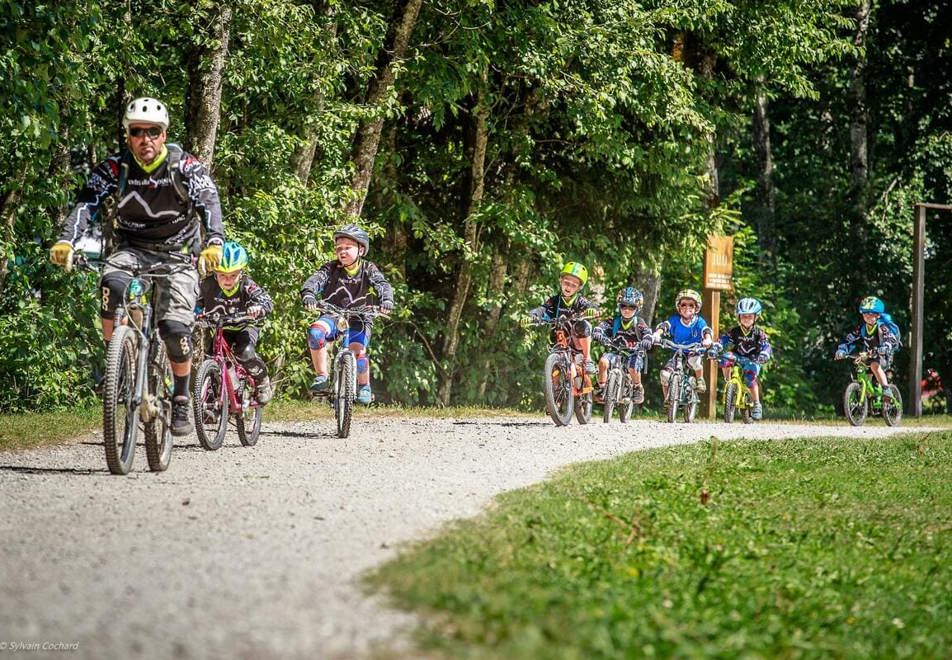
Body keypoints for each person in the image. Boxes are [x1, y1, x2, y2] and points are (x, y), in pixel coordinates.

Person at [50, 97, 224, 435]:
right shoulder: (116, 168)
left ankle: (182, 399)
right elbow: (87, 205)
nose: (146, 139)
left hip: (179, 253)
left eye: (153, 132)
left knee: (174, 330)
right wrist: (66, 240)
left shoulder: (184, 166)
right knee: (111, 284)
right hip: (132, 249)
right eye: (138, 132)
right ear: (128, 135)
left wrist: (214, 242)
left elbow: (209, 201)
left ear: (164, 134)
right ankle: (117, 360)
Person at [301, 224, 394, 405]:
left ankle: (364, 386)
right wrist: (309, 294)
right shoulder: (330, 268)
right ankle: (322, 377)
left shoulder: (368, 268)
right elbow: (314, 280)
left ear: (361, 250)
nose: (342, 252)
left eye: (347, 248)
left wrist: (387, 301)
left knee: (358, 352)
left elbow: (382, 284)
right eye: (339, 248)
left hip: (360, 316)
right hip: (332, 313)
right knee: (315, 333)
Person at [195, 242, 274, 404]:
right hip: (221, 328)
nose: (228, 280)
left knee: (244, 352)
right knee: (211, 359)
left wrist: (258, 307)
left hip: (245, 326)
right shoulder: (207, 285)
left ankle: (262, 381)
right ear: (215, 273)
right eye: (223, 275)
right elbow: (195, 303)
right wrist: (193, 313)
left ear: (241, 272)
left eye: (233, 275)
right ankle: (212, 402)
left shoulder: (247, 285)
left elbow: (266, 300)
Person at [527, 262, 599, 375]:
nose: (568, 287)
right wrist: (533, 316)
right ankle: (554, 390)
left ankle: (588, 359)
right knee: (555, 374)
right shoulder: (555, 300)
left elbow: (592, 306)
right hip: (559, 340)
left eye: (573, 285)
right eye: (566, 282)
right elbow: (543, 309)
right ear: (561, 280)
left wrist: (593, 310)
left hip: (577, 340)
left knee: (582, 324)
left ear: (579, 288)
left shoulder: (580, 301)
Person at [592, 287, 654, 405]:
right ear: (619, 306)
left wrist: (647, 340)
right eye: (623, 306)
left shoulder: (639, 323)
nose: (627, 310)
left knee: (633, 367)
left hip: (633, 353)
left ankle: (637, 387)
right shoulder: (614, 321)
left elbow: (647, 333)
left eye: (631, 307)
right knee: (603, 362)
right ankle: (601, 386)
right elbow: (602, 326)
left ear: (637, 308)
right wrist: (598, 331)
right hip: (615, 351)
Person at [714, 297, 772, 420]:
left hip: (754, 358)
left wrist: (764, 354)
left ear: (756, 317)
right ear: (738, 317)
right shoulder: (734, 331)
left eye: (750, 316)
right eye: (743, 316)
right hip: (738, 355)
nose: (746, 319)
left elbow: (766, 345)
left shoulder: (758, 333)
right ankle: (728, 382)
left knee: (750, 378)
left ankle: (756, 404)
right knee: (725, 358)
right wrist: (717, 346)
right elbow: (724, 339)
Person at [652, 288, 713, 402]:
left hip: (693, 351)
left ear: (696, 308)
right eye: (683, 305)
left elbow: (706, 331)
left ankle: (699, 379)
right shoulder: (675, 320)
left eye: (691, 305)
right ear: (678, 307)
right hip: (677, 352)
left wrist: (707, 340)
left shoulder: (699, 322)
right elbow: (666, 326)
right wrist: (657, 334)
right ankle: (667, 400)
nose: (687, 308)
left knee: (695, 361)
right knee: (665, 374)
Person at [834, 296, 899, 397]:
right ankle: (867, 398)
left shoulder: (882, 327)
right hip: (870, 355)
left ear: (878, 315)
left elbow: (890, 338)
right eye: (865, 313)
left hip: (884, 355)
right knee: (863, 370)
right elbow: (849, 340)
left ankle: (886, 389)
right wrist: (842, 350)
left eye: (871, 314)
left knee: (874, 365)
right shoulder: (862, 328)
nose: (867, 316)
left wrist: (886, 346)